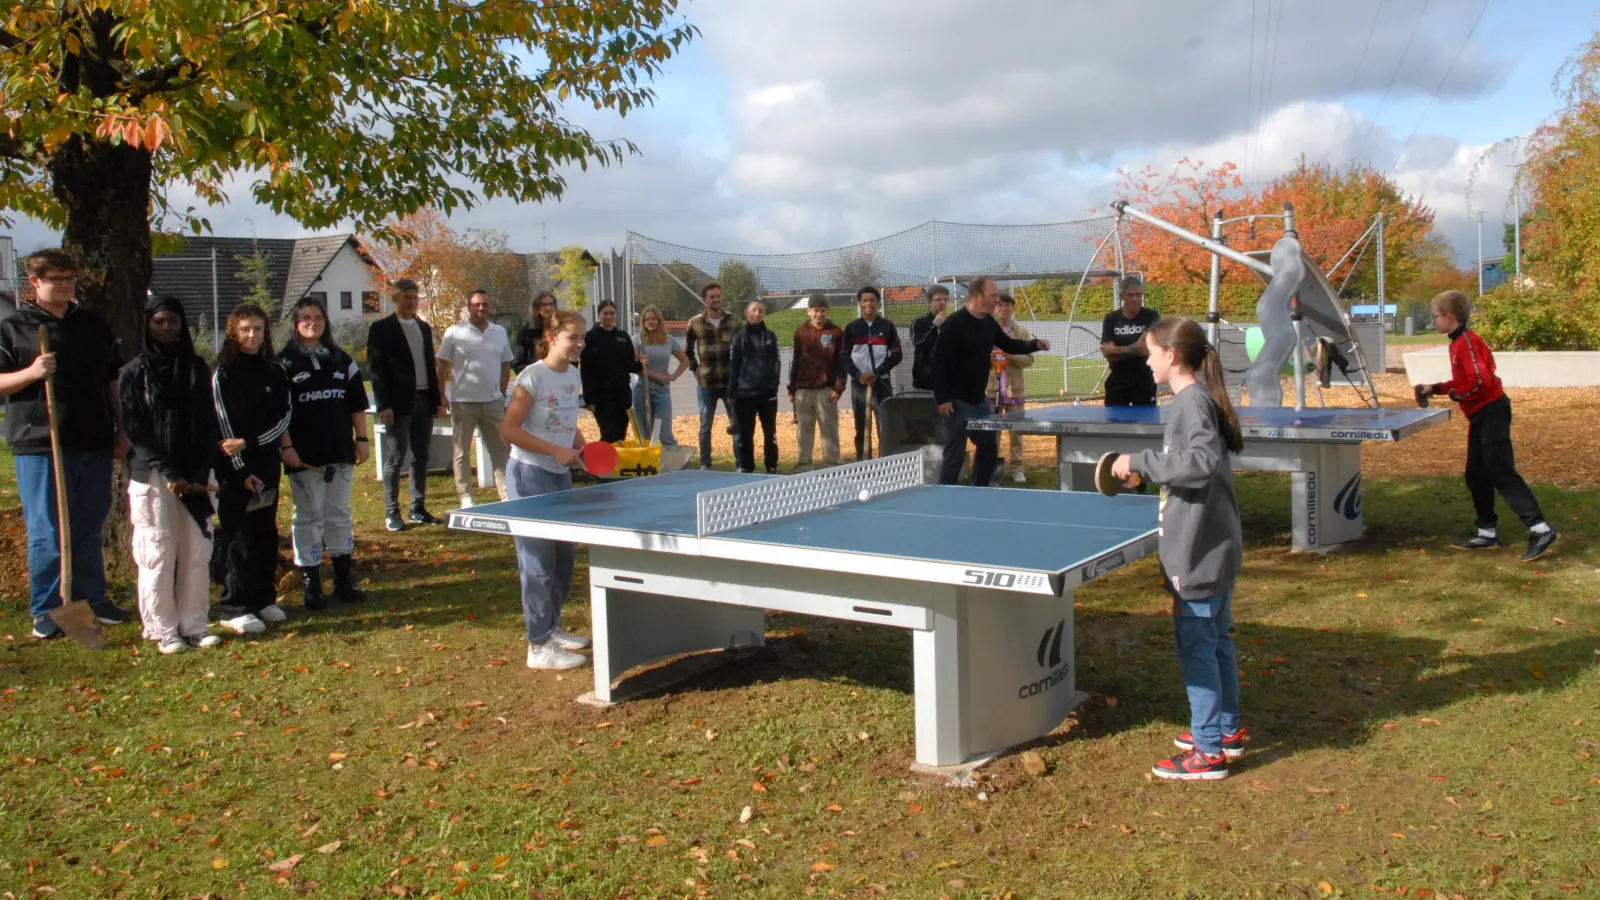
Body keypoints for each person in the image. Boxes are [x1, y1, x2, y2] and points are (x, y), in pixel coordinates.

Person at [1108, 316, 1245, 781]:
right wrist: (1150, 471)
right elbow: (1187, 463)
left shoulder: (1191, 403)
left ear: (1172, 356)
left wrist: (1138, 459)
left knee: (1198, 650)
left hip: (1198, 552)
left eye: (1151, 352)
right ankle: (1225, 730)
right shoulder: (1194, 401)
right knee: (1218, 641)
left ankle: (1207, 752)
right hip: (1212, 546)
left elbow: (1201, 463)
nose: (1146, 360)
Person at [0, 249, 131, 640]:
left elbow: (112, 380)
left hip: (92, 438)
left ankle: (93, 598)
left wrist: (121, 429)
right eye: (55, 278)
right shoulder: (16, 327)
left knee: (89, 525)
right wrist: (31, 372)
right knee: (46, 530)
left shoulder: (91, 325)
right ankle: (46, 607)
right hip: (40, 441)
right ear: (34, 283)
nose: (64, 284)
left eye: (70, 278)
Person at [1417, 290, 1558, 561]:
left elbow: (1480, 382)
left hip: (1491, 412)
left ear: (1449, 316)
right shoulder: (1458, 343)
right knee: (1476, 474)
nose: (1433, 321)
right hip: (1481, 415)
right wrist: (1434, 387)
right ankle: (1487, 533)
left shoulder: (1467, 343)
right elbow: (1465, 380)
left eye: (1435, 316)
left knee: (1500, 471)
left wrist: (1457, 395)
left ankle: (1540, 529)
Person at [119, 295, 222, 653]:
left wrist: (196, 471)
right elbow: (136, 430)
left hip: (195, 475)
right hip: (153, 476)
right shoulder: (134, 373)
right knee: (157, 553)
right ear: (148, 324)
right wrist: (169, 472)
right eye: (159, 321)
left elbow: (209, 423)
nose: (166, 328)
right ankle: (162, 629)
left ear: (182, 325)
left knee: (196, 552)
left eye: (172, 321)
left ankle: (194, 625)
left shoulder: (195, 367)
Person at [500, 308, 592, 671]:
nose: (579, 344)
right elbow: (508, 430)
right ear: (551, 337)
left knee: (563, 561)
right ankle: (538, 647)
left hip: (560, 474)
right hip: (529, 473)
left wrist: (581, 446)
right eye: (573, 337)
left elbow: (566, 420)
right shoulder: (531, 377)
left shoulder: (572, 374)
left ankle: (550, 628)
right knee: (537, 563)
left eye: (582, 337)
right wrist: (556, 451)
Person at [280, 296, 371, 610]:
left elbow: (357, 403)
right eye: (305, 318)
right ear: (295, 323)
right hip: (304, 455)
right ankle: (311, 583)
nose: (312, 323)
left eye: (318, 317)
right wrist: (287, 447)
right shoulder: (284, 363)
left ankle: (344, 578)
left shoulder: (341, 359)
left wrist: (362, 439)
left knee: (339, 514)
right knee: (308, 517)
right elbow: (280, 413)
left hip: (339, 450)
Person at [211, 303, 293, 635]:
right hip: (235, 468)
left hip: (266, 462)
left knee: (265, 530)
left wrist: (253, 444)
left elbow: (283, 417)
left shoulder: (276, 370)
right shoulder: (222, 372)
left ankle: (263, 598)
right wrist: (242, 466)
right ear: (234, 331)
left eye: (257, 329)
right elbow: (222, 424)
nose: (251, 335)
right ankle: (234, 606)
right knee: (238, 534)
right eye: (245, 329)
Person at [929, 275, 1049, 486]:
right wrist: (942, 399)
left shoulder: (988, 323)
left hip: (980, 401)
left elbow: (1009, 345)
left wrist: (1035, 344)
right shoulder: (954, 324)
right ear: (976, 296)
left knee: (988, 448)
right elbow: (937, 364)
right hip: (956, 402)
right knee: (955, 453)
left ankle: (979, 491)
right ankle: (945, 497)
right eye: (993, 295)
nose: (997, 301)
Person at [367, 279, 445, 532]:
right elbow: (376, 370)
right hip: (398, 404)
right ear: (395, 298)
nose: (411, 302)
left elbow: (430, 366)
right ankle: (392, 512)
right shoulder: (381, 329)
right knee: (396, 456)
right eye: (406, 297)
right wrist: (384, 405)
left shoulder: (423, 327)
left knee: (421, 457)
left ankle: (417, 509)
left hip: (424, 400)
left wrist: (437, 400)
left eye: (415, 297)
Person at [437, 289, 513, 508]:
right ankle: (466, 496)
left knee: (499, 449)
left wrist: (501, 392)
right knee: (461, 451)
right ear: (468, 307)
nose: (481, 308)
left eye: (485, 305)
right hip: (463, 403)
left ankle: (506, 493)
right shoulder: (454, 332)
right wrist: (442, 395)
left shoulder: (500, 332)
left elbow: (505, 364)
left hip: (492, 403)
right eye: (476, 304)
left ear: (490, 307)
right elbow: (441, 364)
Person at [840, 286, 902, 460]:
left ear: (878, 303)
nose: (869, 304)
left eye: (872, 300)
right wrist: (859, 375)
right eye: (865, 300)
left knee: (885, 425)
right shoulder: (852, 328)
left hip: (881, 383)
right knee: (861, 426)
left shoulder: (887, 326)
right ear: (859, 303)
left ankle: (886, 462)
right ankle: (863, 461)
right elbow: (844, 356)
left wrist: (876, 372)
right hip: (859, 384)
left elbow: (897, 354)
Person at [683, 283, 739, 469]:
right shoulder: (695, 323)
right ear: (704, 300)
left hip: (730, 383)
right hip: (706, 384)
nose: (716, 299)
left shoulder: (734, 321)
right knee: (705, 425)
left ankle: (741, 463)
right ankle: (705, 464)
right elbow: (688, 350)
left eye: (718, 296)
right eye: (712, 297)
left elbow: (742, 348)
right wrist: (696, 369)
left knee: (736, 424)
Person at [788, 294, 845, 471]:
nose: (819, 314)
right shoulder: (800, 333)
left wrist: (839, 387)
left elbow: (841, 362)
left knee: (829, 429)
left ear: (827, 312)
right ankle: (804, 464)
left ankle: (832, 463)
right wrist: (792, 389)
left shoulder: (836, 332)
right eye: (815, 310)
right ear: (808, 311)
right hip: (803, 390)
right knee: (804, 429)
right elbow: (795, 361)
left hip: (826, 390)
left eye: (822, 311)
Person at [985, 293, 1034, 484]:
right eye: (1000, 305)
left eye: (1008, 305)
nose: (1004, 309)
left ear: (1013, 309)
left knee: (1016, 431)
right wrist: (989, 358)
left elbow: (1029, 359)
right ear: (994, 308)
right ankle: (991, 468)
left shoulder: (1021, 332)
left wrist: (1010, 356)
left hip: (1014, 389)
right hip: (991, 389)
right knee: (992, 432)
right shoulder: (987, 330)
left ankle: (1017, 468)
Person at [727, 299, 781, 474]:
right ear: (746, 312)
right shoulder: (738, 338)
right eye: (754, 310)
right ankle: (746, 467)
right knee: (745, 435)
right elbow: (733, 366)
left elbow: (776, 363)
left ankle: (771, 465)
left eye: (761, 311)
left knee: (770, 432)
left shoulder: (771, 336)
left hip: (767, 394)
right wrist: (732, 391)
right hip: (744, 395)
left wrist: (774, 384)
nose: (757, 314)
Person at [579, 300, 642, 443]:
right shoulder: (591, 337)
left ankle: (618, 464)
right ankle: (603, 464)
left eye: (612, 313)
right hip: (601, 395)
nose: (608, 316)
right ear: (599, 315)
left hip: (622, 393)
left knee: (621, 434)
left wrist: (641, 365)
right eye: (605, 313)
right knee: (609, 434)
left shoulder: (623, 337)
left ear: (616, 315)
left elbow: (629, 365)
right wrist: (589, 398)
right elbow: (586, 369)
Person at [631, 305, 689, 445]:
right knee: (644, 434)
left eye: (653, 319)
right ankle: (648, 463)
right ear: (643, 322)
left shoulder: (668, 340)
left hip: (662, 391)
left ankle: (670, 463)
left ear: (659, 320)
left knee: (664, 433)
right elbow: (635, 366)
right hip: (641, 391)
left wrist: (673, 376)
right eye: (647, 319)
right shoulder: (638, 339)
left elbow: (685, 360)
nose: (650, 322)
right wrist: (658, 377)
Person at [1101, 274, 1160, 407]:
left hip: (1144, 379)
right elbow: (1107, 353)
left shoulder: (1151, 316)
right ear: (1122, 296)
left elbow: (1144, 348)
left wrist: (1118, 350)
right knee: (1114, 422)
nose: (1135, 299)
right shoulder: (1111, 319)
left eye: (1139, 295)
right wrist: (1135, 349)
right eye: (1130, 295)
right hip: (1118, 379)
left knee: (1146, 421)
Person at [909, 284, 950, 392]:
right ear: (929, 303)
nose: (942, 302)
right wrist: (934, 326)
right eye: (938, 299)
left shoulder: (951, 322)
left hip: (947, 382)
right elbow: (918, 344)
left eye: (945, 299)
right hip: (924, 382)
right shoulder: (919, 322)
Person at [512, 291, 558, 372]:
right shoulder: (526, 332)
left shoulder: (561, 328)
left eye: (551, 304)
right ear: (536, 308)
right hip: (536, 378)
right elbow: (518, 364)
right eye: (544, 305)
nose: (548, 308)